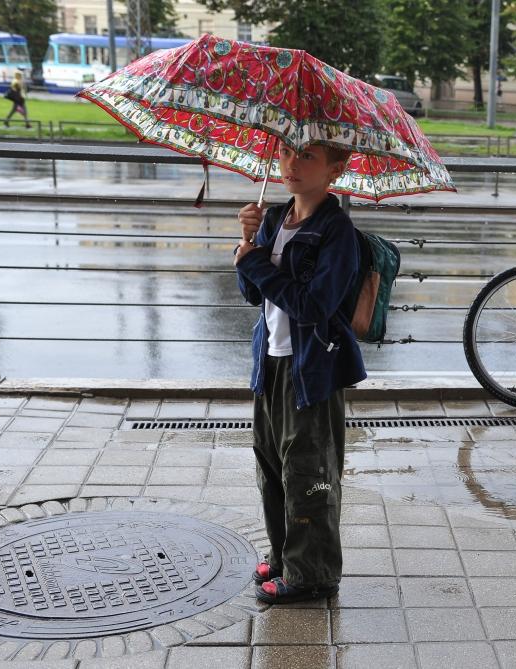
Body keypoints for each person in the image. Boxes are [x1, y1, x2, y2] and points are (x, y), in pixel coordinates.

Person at [233, 141, 366, 604]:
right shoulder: (274, 218)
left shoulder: (337, 231)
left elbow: (314, 306)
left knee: (309, 473)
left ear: (336, 170)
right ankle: (285, 552)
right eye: (287, 152)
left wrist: (254, 263)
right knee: (271, 466)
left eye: (307, 156)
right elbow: (255, 296)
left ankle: (313, 574)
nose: (292, 163)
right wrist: (247, 243)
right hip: (270, 361)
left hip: (312, 368)